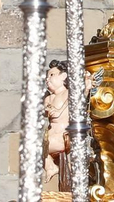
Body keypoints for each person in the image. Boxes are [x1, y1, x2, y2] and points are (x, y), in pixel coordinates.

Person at [44, 60, 69, 189]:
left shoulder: (68, 94)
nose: (48, 79)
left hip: (62, 136)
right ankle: (50, 166)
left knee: (36, 147)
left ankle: (51, 167)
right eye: (47, 76)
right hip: (50, 136)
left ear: (63, 76)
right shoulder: (48, 98)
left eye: (52, 75)